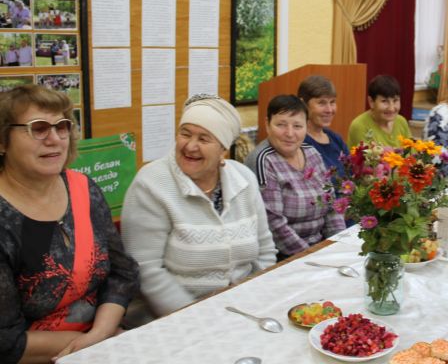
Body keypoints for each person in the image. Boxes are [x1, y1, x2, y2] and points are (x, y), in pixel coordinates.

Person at [0, 85, 139, 362]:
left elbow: (122, 274)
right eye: (38, 128)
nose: (54, 139)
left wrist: (100, 334)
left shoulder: (83, 188)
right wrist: (92, 344)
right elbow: (6, 340)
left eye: (62, 126)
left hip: (102, 337)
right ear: (2, 142)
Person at [121, 94, 276, 322]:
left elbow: (265, 251)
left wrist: (252, 301)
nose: (190, 146)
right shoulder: (152, 184)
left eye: (204, 139)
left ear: (223, 148)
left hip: (243, 310)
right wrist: (199, 318)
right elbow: (146, 270)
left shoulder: (244, 179)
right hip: (174, 318)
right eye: (185, 134)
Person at [246, 95, 345, 259]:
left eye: (297, 126)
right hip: (285, 256)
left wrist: (337, 245)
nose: (290, 133)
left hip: (320, 249)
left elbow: (331, 206)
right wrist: (311, 256)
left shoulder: (312, 152)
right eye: (281, 125)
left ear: (306, 126)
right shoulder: (263, 160)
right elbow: (274, 224)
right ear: (267, 124)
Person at [297, 75, 349, 177]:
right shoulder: (298, 142)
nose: (329, 110)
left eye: (332, 102)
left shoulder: (336, 139)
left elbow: (351, 176)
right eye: (322, 103)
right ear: (303, 104)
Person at [348, 75, 410, 148]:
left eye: (395, 100)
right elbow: (369, 158)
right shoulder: (359, 126)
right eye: (384, 101)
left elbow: (412, 154)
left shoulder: (401, 121)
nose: (391, 108)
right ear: (371, 102)